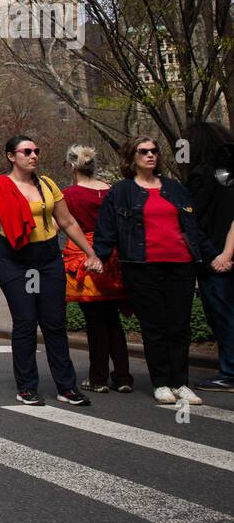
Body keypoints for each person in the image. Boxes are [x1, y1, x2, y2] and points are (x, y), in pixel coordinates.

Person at [0, 135, 102, 407]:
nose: (33, 155)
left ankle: (67, 386)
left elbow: (67, 222)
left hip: (48, 258)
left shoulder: (48, 185)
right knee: (26, 322)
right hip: (16, 261)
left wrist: (91, 253)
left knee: (54, 323)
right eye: (26, 151)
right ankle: (27, 387)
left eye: (36, 150)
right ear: (11, 157)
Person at [93, 136, 225, 406]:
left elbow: (193, 229)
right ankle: (162, 382)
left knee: (179, 326)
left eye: (154, 151)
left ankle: (181, 382)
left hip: (181, 265)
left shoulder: (175, 188)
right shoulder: (121, 192)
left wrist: (215, 257)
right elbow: (107, 230)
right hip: (142, 267)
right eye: (143, 152)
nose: (150, 155)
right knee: (154, 327)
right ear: (132, 158)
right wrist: (98, 257)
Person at [61, 145, 132, 394]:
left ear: (71, 166)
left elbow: (64, 225)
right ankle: (123, 376)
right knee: (112, 318)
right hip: (113, 257)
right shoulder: (111, 191)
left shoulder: (68, 195)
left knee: (95, 320)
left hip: (84, 256)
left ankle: (99, 377)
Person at [179, 121, 234, 392]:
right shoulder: (228, 173)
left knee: (222, 314)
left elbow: (193, 218)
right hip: (227, 252)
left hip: (214, 258)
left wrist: (217, 255)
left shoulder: (201, 176)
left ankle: (229, 372)